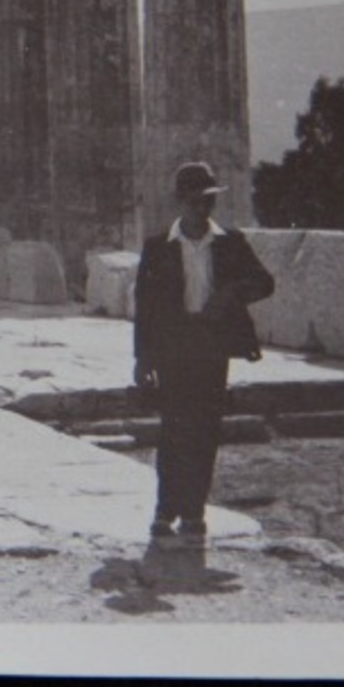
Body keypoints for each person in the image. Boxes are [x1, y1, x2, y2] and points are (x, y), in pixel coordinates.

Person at [133, 161, 275, 541]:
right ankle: (166, 509)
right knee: (174, 430)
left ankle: (194, 511)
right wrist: (142, 361)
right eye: (196, 202)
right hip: (173, 348)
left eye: (209, 201)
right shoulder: (157, 247)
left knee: (206, 431)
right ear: (181, 201)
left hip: (212, 346)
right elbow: (144, 308)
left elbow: (264, 282)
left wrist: (230, 295)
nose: (203, 209)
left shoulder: (230, 242)